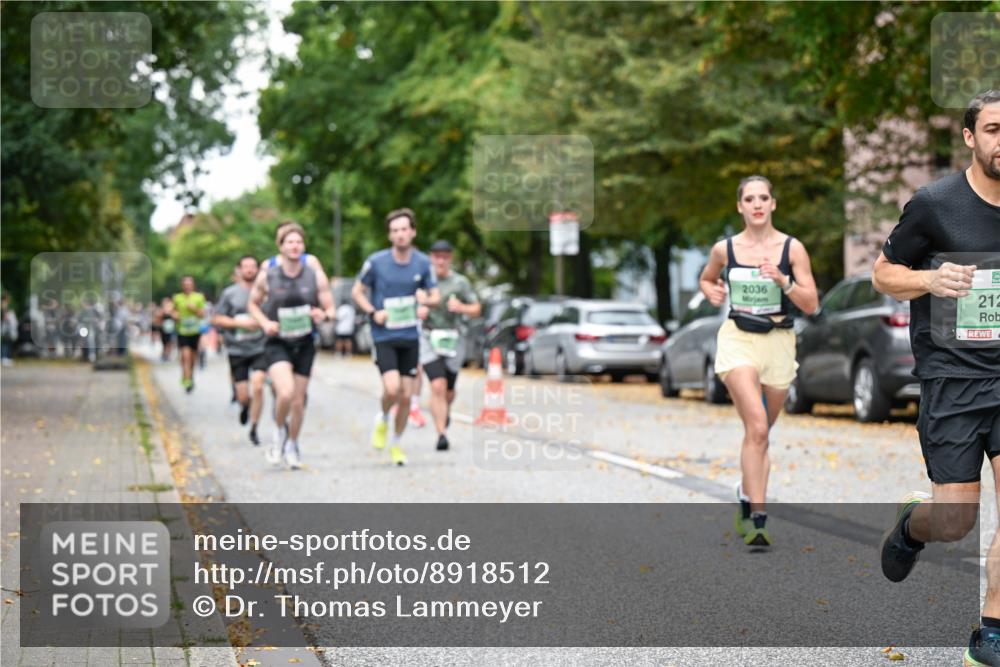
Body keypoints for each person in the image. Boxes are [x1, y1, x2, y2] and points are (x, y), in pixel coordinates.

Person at [872, 90, 1000, 667]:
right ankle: (912, 526)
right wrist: (929, 281)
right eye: (994, 129)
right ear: (971, 137)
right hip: (954, 376)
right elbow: (883, 273)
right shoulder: (935, 203)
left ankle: (991, 631)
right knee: (956, 519)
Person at [698, 175, 819, 547]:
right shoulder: (725, 250)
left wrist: (783, 282)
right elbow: (706, 279)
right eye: (749, 198)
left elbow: (811, 304)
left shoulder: (792, 249)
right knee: (758, 428)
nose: (756, 204)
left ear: (773, 204)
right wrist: (713, 292)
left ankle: (746, 495)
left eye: (763, 197)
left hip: (779, 342)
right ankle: (758, 519)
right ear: (740, 207)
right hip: (738, 341)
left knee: (762, 434)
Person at [352, 208, 439, 466]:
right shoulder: (376, 262)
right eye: (395, 230)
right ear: (390, 235)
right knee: (392, 389)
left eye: (404, 229)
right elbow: (358, 292)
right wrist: (373, 312)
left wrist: (427, 303)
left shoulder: (423, 263)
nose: (400, 234)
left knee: (406, 396)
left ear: (413, 232)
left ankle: (397, 442)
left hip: (410, 335)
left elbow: (435, 296)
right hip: (384, 335)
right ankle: (382, 417)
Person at [248, 223, 335, 469]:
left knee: (298, 400)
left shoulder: (314, 275)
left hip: (305, 342)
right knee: (285, 392)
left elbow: (331, 309)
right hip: (278, 342)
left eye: (299, 242)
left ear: (303, 246)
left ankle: (292, 444)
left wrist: (324, 315)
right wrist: (265, 323)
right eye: (290, 242)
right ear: (281, 247)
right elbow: (252, 304)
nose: (295, 246)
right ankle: (278, 433)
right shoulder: (268, 275)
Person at [418, 240, 481, 451]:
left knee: (449, 391)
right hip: (428, 337)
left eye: (445, 256)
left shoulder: (460, 282)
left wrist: (461, 307)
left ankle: (444, 410)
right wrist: (420, 310)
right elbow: (409, 303)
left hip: (453, 339)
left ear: (450, 258)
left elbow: (477, 308)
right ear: (431, 258)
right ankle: (441, 434)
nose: (441, 260)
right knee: (437, 385)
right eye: (437, 256)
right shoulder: (423, 280)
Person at [214, 255, 269, 446]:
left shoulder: (265, 292)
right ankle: (245, 406)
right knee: (243, 394)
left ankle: (254, 427)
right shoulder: (230, 294)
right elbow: (217, 319)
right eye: (246, 267)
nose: (250, 270)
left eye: (253, 266)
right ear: (239, 270)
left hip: (260, 346)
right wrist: (240, 323)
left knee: (259, 384)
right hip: (237, 349)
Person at [172, 277, 206, 393]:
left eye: (189, 284)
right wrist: (175, 315)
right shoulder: (177, 298)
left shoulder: (199, 297)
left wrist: (194, 309)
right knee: (185, 355)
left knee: (192, 358)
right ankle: (187, 380)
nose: (187, 286)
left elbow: (202, 314)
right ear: (182, 285)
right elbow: (173, 311)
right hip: (182, 331)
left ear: (193, 285)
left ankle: (190, 376)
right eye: (185, 284)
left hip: (195, 331)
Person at [1, 293, 17, 366]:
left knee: (8, 342)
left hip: (7, 327)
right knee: (5, 343)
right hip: (5, 327)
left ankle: (7, 357)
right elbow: (4, 316)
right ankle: (4, 357)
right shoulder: (3, 305)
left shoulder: (5, 306)